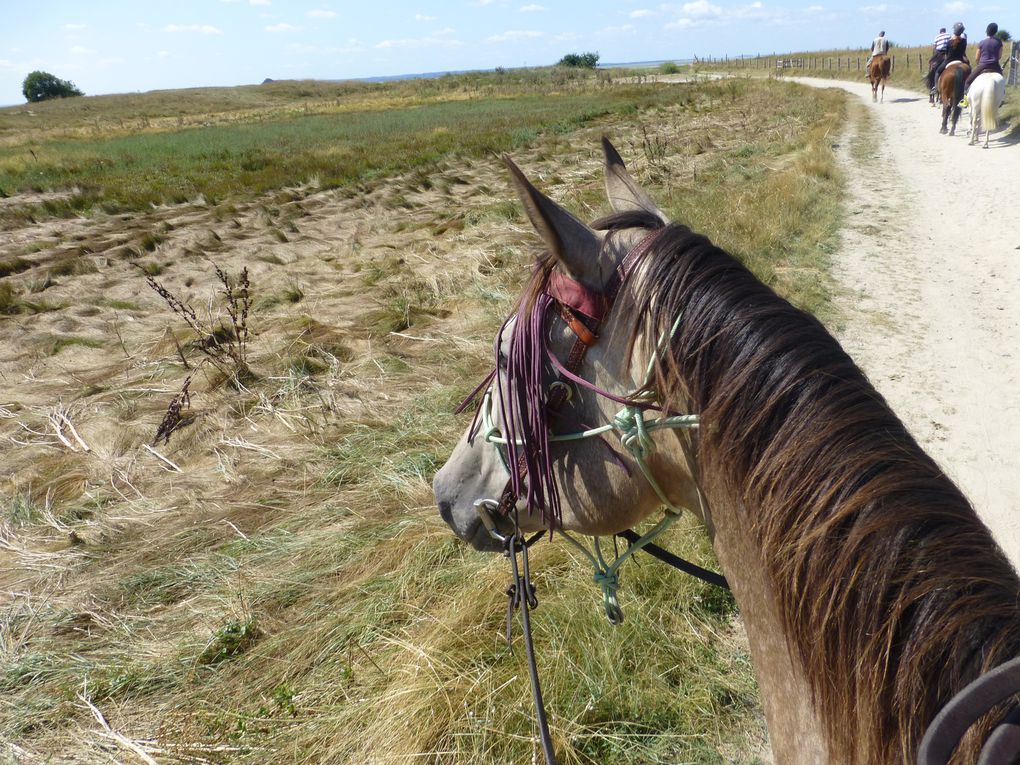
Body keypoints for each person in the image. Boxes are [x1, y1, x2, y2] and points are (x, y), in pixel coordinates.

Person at [960, 22, 1004, 106]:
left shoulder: (982, 42)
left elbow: (977, 57)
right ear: (995, 32)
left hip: (983, 65)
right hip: (995, 65)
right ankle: (1001, 100)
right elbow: (999, 56)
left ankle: (964, 101)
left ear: (987, 31)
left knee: (968, 82)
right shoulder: (999, 42)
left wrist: (979, 64)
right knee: (1002, 82)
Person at [934, 22, 968, 89]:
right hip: (960, 59)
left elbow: (947, 53)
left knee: (937, 72)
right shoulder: (964, 41)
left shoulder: (949, 41)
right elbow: (963, 52)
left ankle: (936, 88)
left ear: (954, 30)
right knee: (970, 70)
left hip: (949, 60)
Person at [927, 27, 951, 92]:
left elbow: (935, 47)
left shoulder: (937, 37)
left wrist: (934, 56)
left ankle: (935, 86)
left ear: (940, 32)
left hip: (938, 52)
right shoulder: (948, 35)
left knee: (932, 65)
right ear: (945, 31)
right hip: (947, 52)